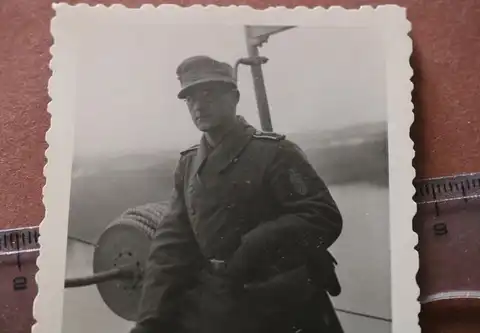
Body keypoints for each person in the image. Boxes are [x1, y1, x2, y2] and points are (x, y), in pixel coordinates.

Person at [130, 55, 344, 333]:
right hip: (221, 299)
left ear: (234, 97)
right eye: (190, 99)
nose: (198, 105)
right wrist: (150, 320)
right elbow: (171, 246)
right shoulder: (188, 164)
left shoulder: (275, 153)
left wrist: (255, 245)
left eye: (208, 93)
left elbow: (322, 217)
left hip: (280, 301)